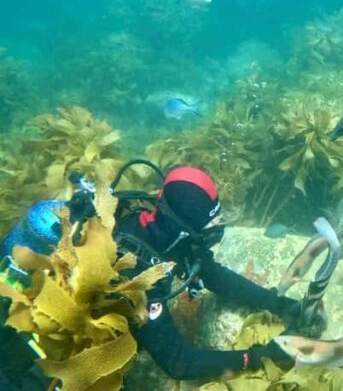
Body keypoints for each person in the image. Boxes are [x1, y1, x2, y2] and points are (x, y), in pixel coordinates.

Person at [1, 165, 324, 388]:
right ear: (182, 229)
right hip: (22, 364)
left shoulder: (155, 223)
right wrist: (257, 356)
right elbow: (178, 362)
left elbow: (213, 274)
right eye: (206, 229)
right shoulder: (138, 271)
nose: (212, 235)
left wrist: (279, 303)